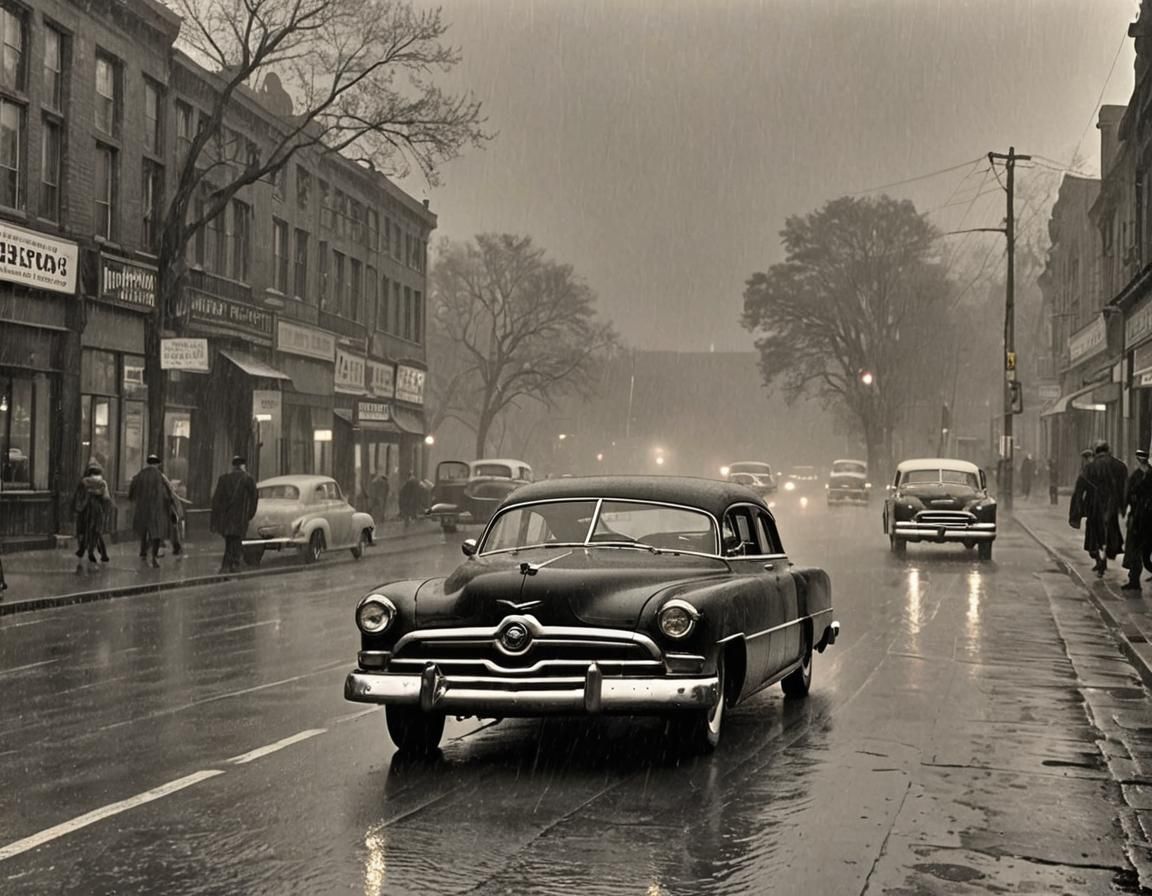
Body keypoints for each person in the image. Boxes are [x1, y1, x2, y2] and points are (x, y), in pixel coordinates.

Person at [1070, 441, 1128, 577]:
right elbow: (1125, 487)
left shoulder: (1089, 468)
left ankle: (1099, 559)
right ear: (1108, 451)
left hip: (1094, 506)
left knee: (1093, 536)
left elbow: (1079, 490)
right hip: (1111, 506)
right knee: (1109, 533)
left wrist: (1076, 513)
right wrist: (1123, 506)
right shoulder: (1119, 466)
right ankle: (1105, 557)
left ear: (1097, 452)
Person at [210, 455, 258, 573]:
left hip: (227, 517)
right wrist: (250, 514)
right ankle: (233, 564)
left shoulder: (224, 479)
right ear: (243, 466)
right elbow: (254, 498)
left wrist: (216, 518)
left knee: (230, 541)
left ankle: (228, 565)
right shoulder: (248, 479)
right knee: (237, 540)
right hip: (240, 517)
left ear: (233, 466)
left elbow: (216, 500)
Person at [129, 454, 176, 568]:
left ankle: (143, 551)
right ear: (157, 464)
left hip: (142, 508)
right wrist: (170, 502)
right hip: (156, 508)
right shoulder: (159, 476)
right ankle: (154, 557)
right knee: (156, 532)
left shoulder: (140, 474)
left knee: (144, 530)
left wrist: (134, 498)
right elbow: (167, 491)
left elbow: (133, 489)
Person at [1123, 449, 1152, 591]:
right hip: (1147, 518)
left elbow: (1129, 495)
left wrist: (1127, 509)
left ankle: (1134, 580)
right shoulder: (1147, 475)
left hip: (1139, 518)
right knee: (1145, 551)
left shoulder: (1136, 476)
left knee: (1135, 549)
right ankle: (1134, 579)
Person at [73, 462, 112, 565]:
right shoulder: (102, 483)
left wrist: (78, 507)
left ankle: (84, 550)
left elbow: (78, 496)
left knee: (86, 530)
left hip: (86, 509)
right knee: (97, 531)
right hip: (98, 510)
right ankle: (101, 553)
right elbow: (106, 498)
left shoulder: (83, 482)